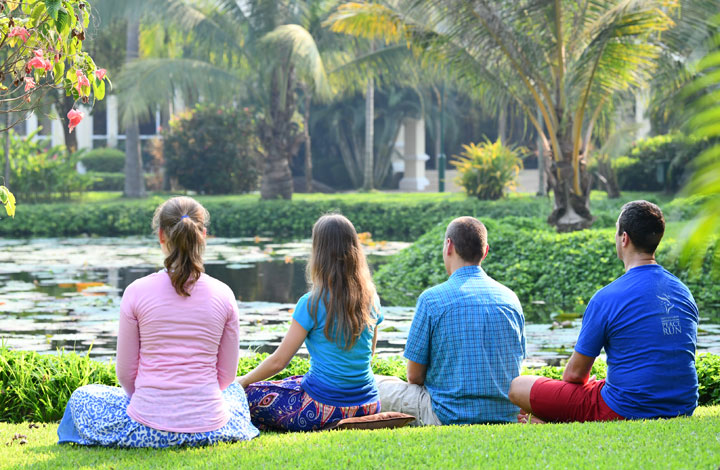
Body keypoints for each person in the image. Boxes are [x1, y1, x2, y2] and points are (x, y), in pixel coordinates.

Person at [58, 197, 259, 447]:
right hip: (210, 427)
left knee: (82, 397)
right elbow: (226, 377)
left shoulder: (136, 291)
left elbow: (126, 375)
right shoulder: (225, 294)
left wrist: (151, 404)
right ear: (203, 235)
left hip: (147, 425)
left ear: (161, 235)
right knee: (235, 393)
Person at [509, 200, 699, 423]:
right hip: (683, 405)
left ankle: (547, 421)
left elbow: (574, 376)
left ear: (624, 238)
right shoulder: (682, 291)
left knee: (518, 386)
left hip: (625, 408)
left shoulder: (607, 297)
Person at [237, 214, 383, 432]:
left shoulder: (311, 303)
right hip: (368, 405)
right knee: (294, 382)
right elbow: (369, 354)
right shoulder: (370, 297)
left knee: (250, 395)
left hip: (322, 408)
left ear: (319, 253)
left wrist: (241, 382)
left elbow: (279, 362)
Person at [376, 216, 526, 425]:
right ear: (485, 251)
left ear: (449, 245)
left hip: (446, 415)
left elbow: (414, 377)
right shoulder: (510, 299)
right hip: (503, 414)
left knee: (375, 385)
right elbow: (516, 364)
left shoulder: (431, 300)